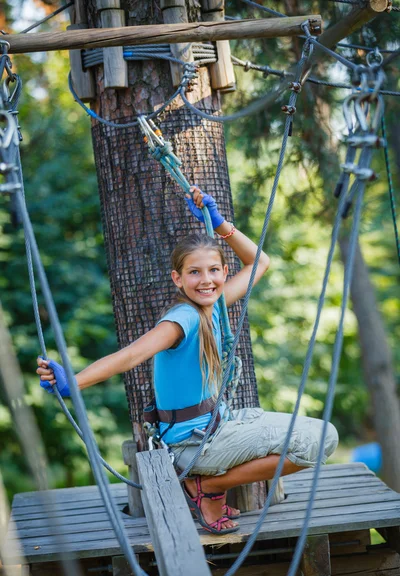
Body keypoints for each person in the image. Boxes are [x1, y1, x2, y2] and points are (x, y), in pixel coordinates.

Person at [37, 186, 339, 535]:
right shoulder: (184, 318)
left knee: (320, 436)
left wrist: (220, 223)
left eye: (213, 270)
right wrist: (72, 382)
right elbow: (131, 355)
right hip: (195, 444)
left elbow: (260, 262)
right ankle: (208, 487)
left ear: (224, 273)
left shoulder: (216, 305)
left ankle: (209, 485)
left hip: (218, 426)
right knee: (322, 439)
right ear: (177, 279)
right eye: (194, 272)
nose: (206, 279)